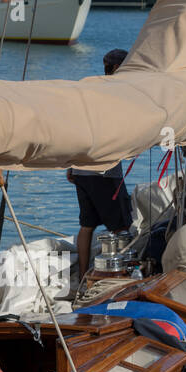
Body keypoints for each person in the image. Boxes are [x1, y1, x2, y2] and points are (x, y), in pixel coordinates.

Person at [66, 48, 132, 280]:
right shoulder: (117, 94)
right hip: (105, 171)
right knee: (121, 226)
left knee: (87, 225)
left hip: (81, 170)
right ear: (116, 69)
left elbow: (76, 127)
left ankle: (85, 275)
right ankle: (119, 278)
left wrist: (71, 165)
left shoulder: (90, 91)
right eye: (126, 66)